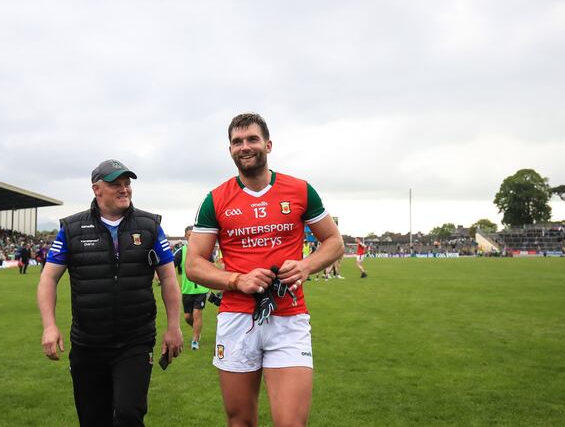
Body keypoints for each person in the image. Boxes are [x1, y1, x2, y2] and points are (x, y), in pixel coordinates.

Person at [186, 113, 344, 427]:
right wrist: (236, 280)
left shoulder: (299, 190)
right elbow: (194, 265)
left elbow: (334, 241)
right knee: (241, 421)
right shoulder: (215, 200)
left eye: (252, 139)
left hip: (289, 317)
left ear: (268, 145)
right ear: (230, 150)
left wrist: (305, 265)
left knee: (291, 423)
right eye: (237, 142)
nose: (245, 147)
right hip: (236, 319)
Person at [37, 159, 183, 426]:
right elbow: (48, 278)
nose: (124, 189)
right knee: (93, 419)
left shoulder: (150, 226)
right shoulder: (71, 229)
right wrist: (49, 326)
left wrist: (174, 326)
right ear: (97, 189)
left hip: (135, 341)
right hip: (88, 344)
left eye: (127, 184)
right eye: (116, 184)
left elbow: (169, 278)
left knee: (129, 414)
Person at [173, 226, 212, 350]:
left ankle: (195, 340)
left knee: (197, 314)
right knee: (187, 317)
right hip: (187, 290)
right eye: (189, 235)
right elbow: (170, 266)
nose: (191, 237)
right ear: (186, 237)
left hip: (201, 289)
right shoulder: (180, 252)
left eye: (193, 235)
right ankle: (197, 330)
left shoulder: (204, 251)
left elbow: (211, 265)